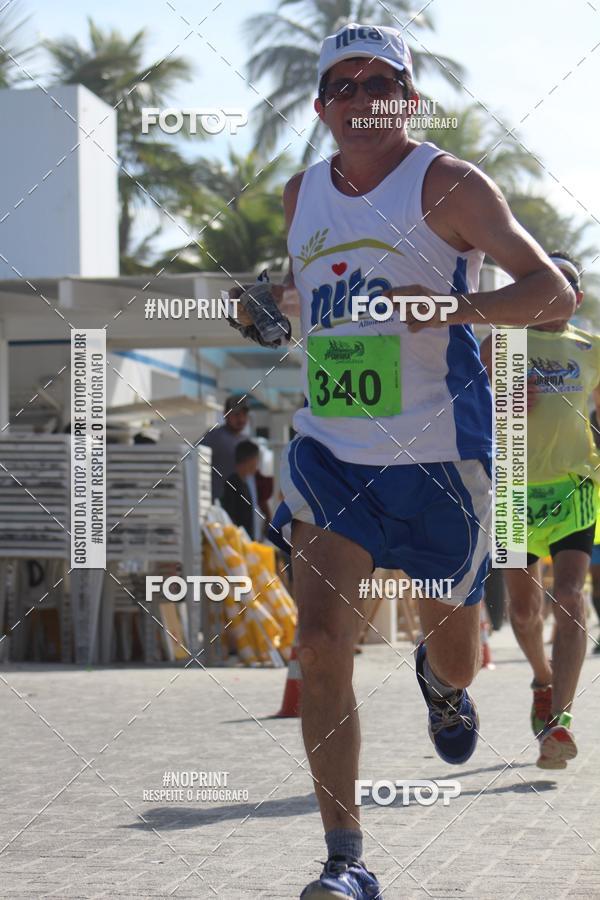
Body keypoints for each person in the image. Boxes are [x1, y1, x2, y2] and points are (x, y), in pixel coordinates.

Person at [231, 23, 574, 898]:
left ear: (407, 100)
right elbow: (314, 300)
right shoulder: (298, 193)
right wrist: (268, 309)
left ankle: (441, 683)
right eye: (341, 84)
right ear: (320, 107)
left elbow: (553, 293)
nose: (359, 97)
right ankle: (347, 862)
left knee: (454, 649)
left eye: (380, 81)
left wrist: (455, 309)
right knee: (318, 644)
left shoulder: (450, 184)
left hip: (440, 461)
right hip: (330, 453)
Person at [481, 251, 599, 769]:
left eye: (564, 284)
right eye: (540, 282)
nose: (554, 292)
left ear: (575, 295)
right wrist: (498, 403)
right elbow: (456, 406)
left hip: (575, 488)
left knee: (570, 595)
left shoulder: (592, 349)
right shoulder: (501, 345)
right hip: (511, 491)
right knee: (524, 612)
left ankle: (560, 723)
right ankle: (543, 681)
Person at [202, 394, 251, 503]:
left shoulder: (247, 441)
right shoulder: (213, 437)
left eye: (244, 414)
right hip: (217, 503)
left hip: (240, 503)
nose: (241, 419)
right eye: (237, 414)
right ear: (225, 414)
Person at [221, 440, 261, 539]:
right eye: (256, 459)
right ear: (250, 460)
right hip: (238, 541)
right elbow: (230, 516)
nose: (257, 464)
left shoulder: (246, 483)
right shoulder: (232, 483)